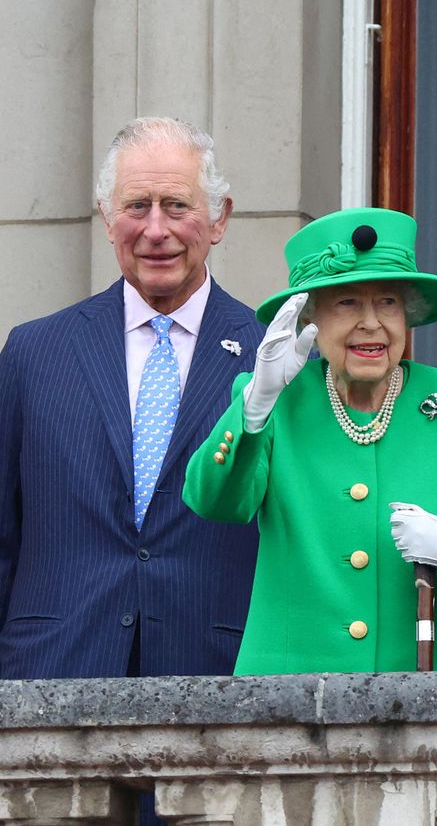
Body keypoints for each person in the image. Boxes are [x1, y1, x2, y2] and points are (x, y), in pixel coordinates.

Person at [184, 207, 437, 673]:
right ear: (310, 316)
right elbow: (214, 502)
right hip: (287, 704)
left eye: (388, 302)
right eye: (348, 303)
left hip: (420, 712)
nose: (372, 323)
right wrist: (255, 404)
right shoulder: (274, 400)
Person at [0, 117, 262, 680]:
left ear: (219, 219)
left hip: (221, 684)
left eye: (177, 206)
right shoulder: (33, 352)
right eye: (137, 206)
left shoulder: (275, 359)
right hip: (51, 675)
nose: (156, 228)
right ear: (106, 218)